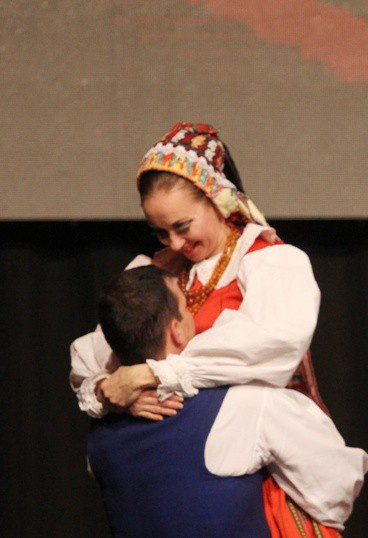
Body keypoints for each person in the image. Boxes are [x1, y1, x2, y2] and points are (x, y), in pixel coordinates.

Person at [70, 122, 346, 535]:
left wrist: (154, 373)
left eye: (183, 226)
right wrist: (114, 393)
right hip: (170, 472)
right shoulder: (152, 273)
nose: (175, 243)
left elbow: (273, 345)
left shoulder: (267, 261)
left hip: (269, 471)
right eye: (160, 231)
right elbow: (96, 362)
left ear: (219, 200)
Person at [88, 265, 368, 536]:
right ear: (176, 330)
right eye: (187, 309)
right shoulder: (242, 406)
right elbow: (336, 487)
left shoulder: (98, 440)